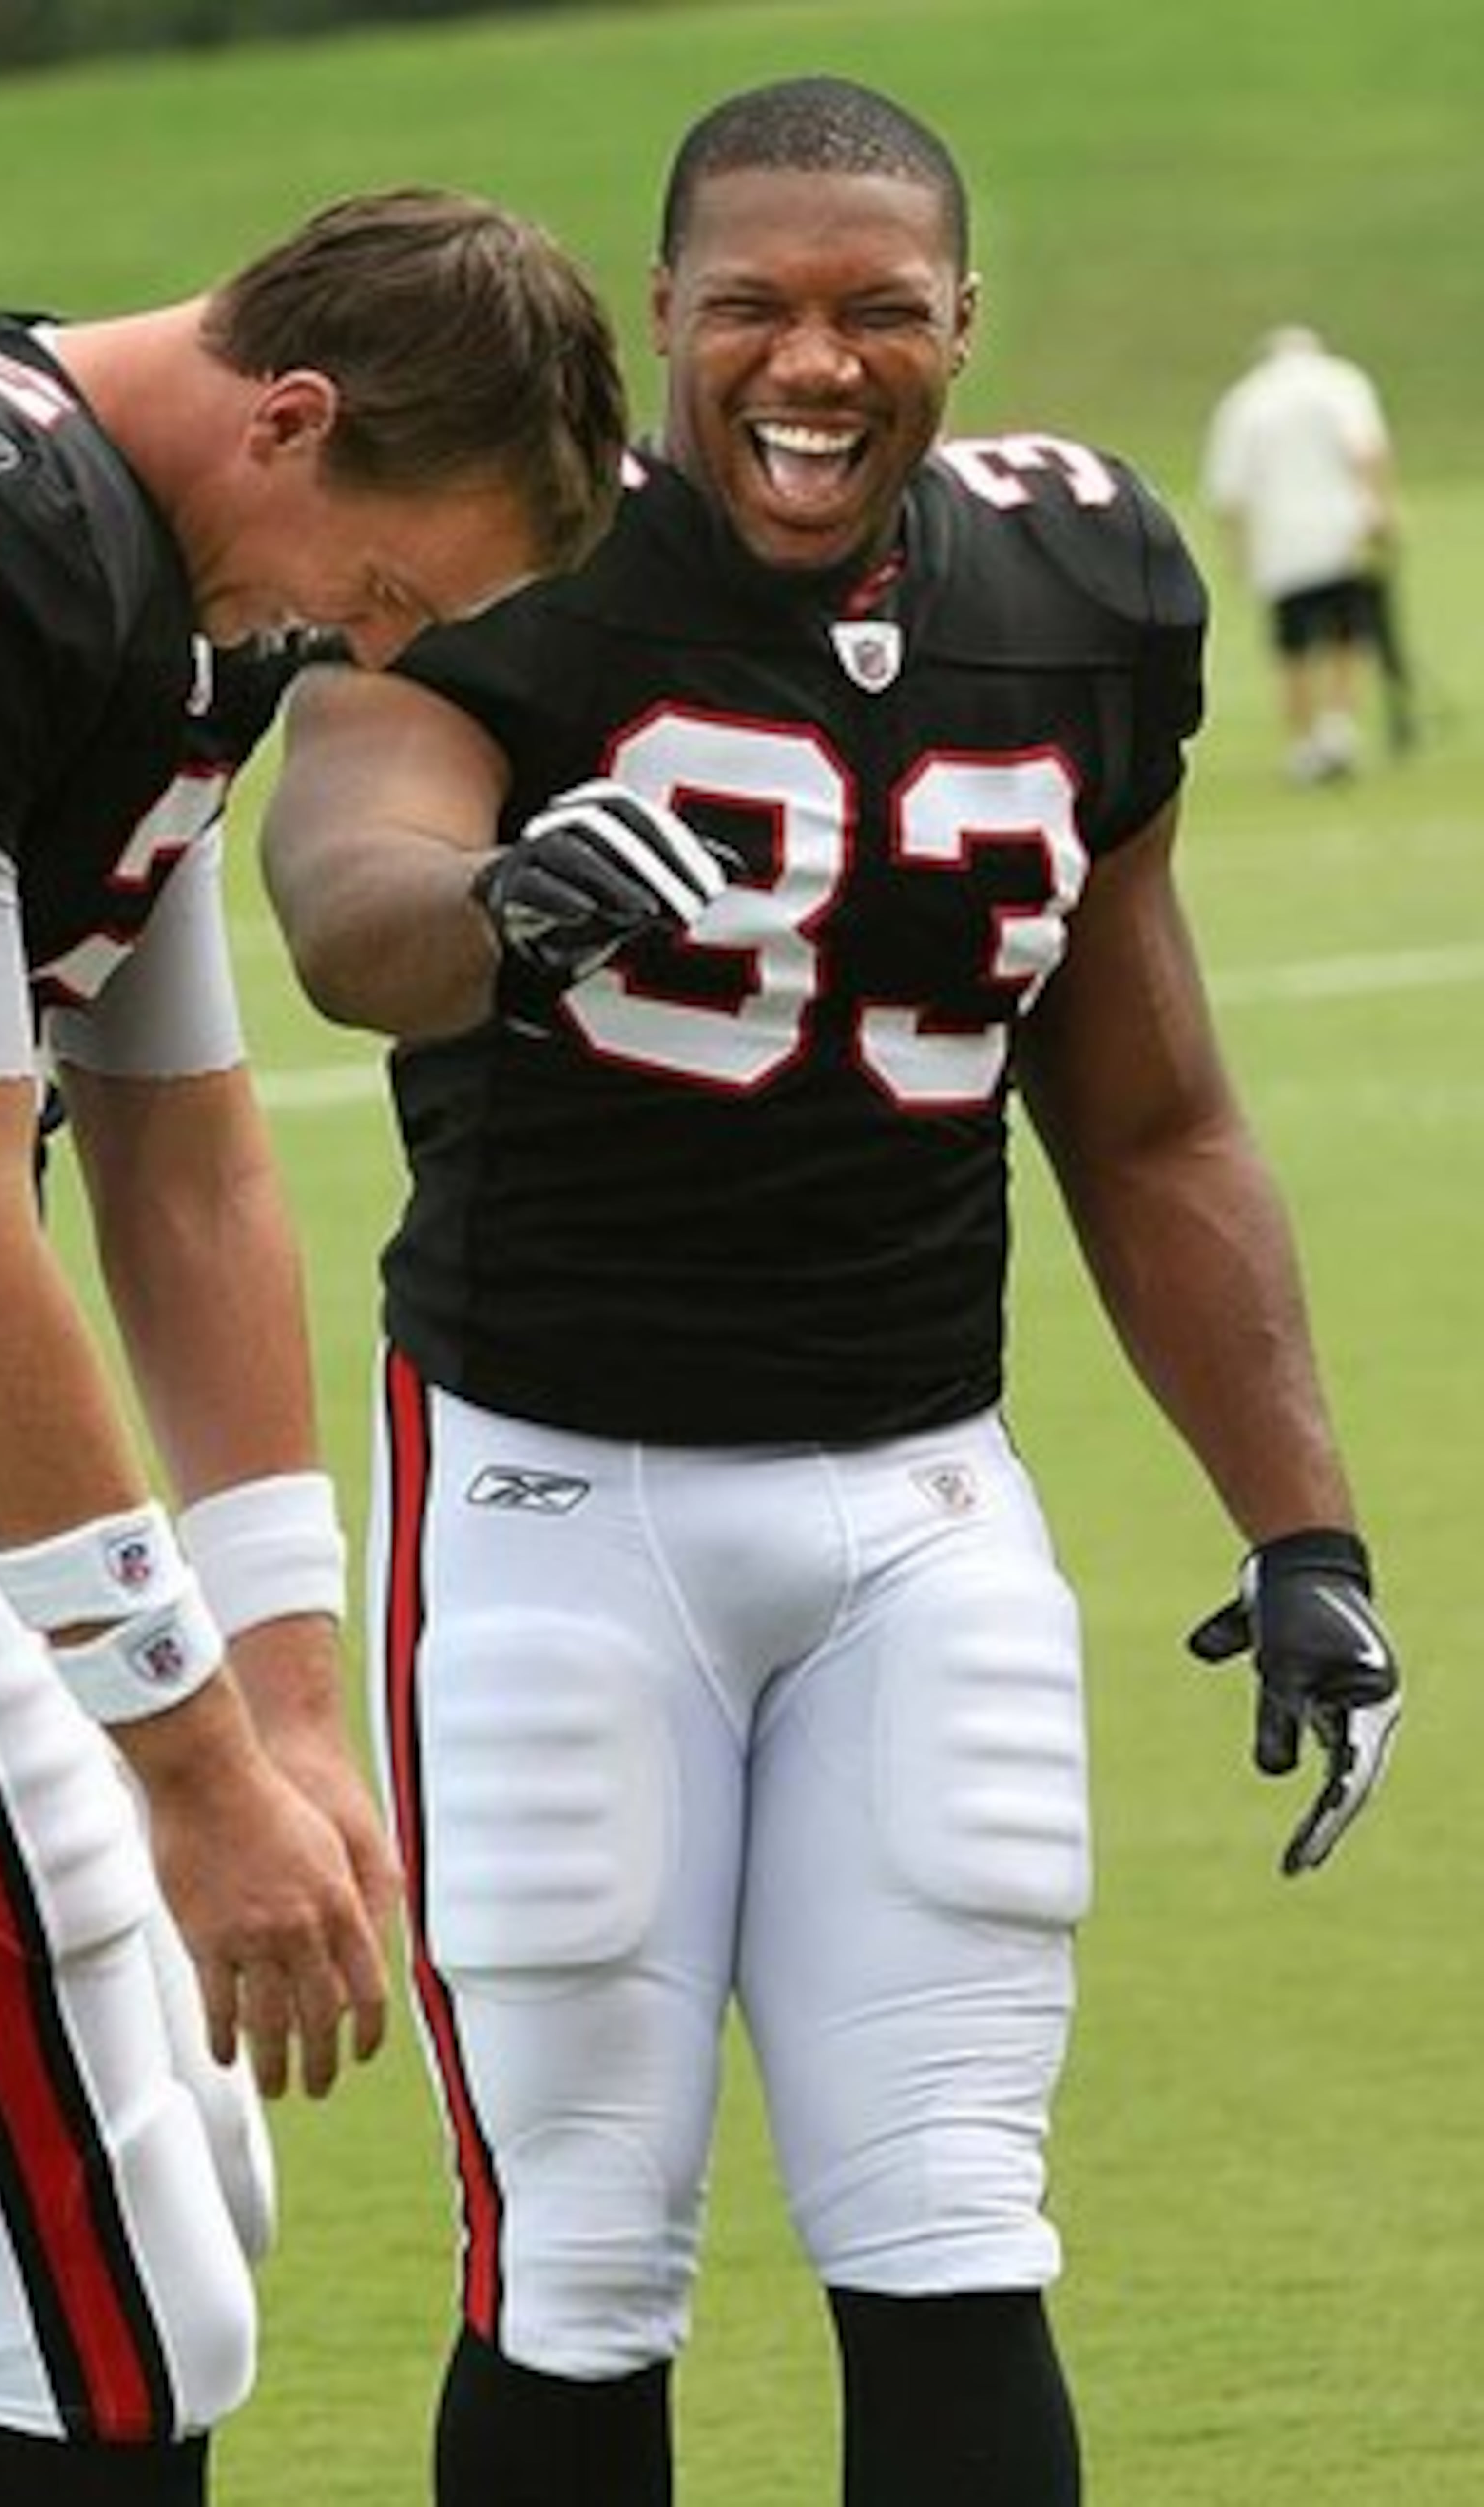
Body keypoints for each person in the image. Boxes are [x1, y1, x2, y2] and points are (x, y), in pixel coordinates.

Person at [258, 81, 1404, 2507]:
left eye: (882, 310)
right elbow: (349, 892)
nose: (818, 359)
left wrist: (1305, 1525)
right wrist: (506, 912)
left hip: (922, 1505)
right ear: (659, 308)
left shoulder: (1080, 585)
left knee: (957, 2219)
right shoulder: (511, 567)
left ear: (963, 327)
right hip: (562, 1498)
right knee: (581, 2246)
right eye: (756, 304)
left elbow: (1153, 1104)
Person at [0, 188, 626, 2507]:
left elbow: (181, 1139)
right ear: (289, 417)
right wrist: (188, 1770)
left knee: (187, 2209)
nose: (357, 642)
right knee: (103, 2321)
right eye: (382, 591)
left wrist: (287, 1686)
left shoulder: (167, 579)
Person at [1202, 322, 1406, 781]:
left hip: (1282, 544)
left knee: (1293, 648)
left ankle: (1304, 743)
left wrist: (1237, 550)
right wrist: (1384, 510)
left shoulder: (1246, 400)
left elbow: (1229, 487)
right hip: (1343, 531)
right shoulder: (1342, 382)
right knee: (1346, 635)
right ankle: (1339, 729)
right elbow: (1368, 450)